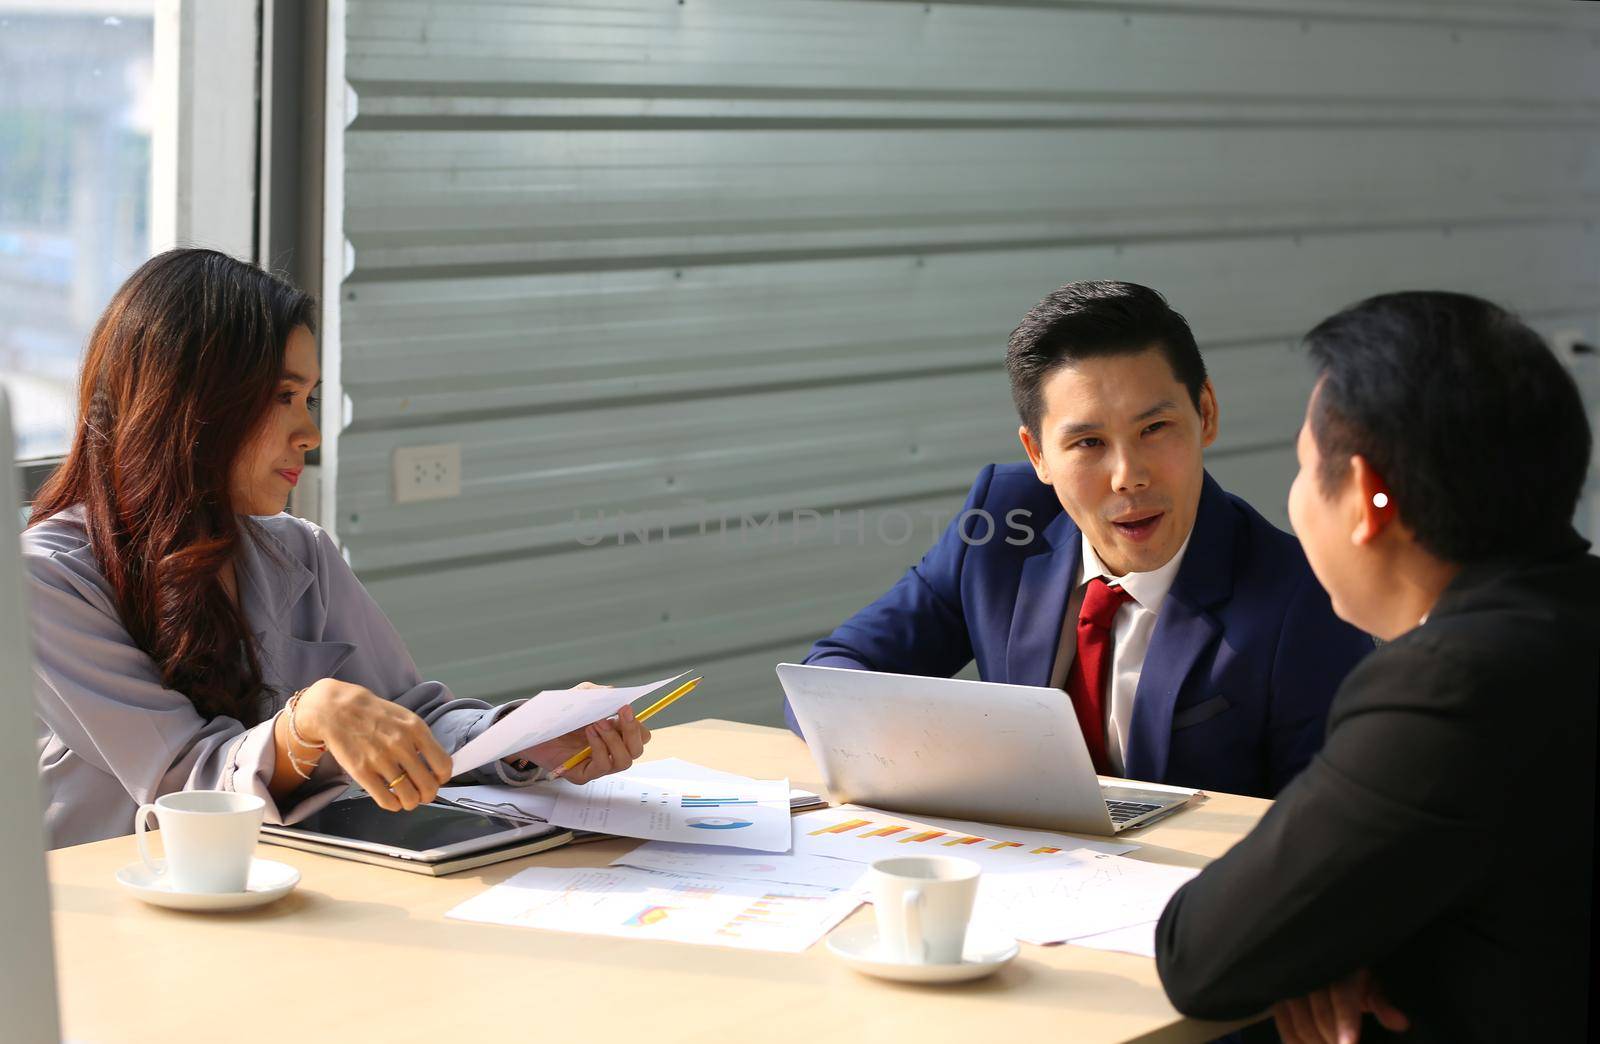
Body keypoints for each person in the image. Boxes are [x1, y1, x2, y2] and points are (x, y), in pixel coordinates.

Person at [26, 249, 649, 850]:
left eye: (311, 398)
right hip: (106, 924)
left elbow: (409, 718)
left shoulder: (303, 553)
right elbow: (183, 783)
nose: (311, 434)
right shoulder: (45, 582)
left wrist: (523, 739)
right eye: (282, 397)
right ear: (190, 403)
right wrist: (308, 722)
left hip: (277, 899)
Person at [1155, 292, 1598, 1043]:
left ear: (1366, 498)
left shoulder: (1448, 688)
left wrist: (1314, 942)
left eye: (1301, 466)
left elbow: (1201, 956)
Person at [789, 281, 1372, 797]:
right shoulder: (1001, 525)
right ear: (1037, 454)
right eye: (1088, 443)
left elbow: (1329, 832)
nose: (1129, 475)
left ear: (1207, 413)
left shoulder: (1305, 597)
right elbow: (833, 677)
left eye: (1155, 428)